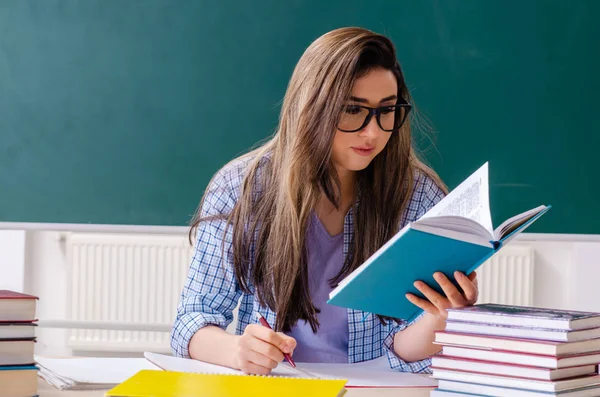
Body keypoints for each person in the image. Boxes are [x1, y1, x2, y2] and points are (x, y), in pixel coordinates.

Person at [171, 27, 478, 375]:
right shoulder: (240, 189)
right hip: (278, 384)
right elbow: (191, 322)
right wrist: (238, 350)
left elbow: (404, 349)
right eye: (352, 110)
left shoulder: (419, 196)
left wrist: (440, 317)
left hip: (379, 387)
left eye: (387, 110)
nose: (373, 132)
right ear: (311, 107)